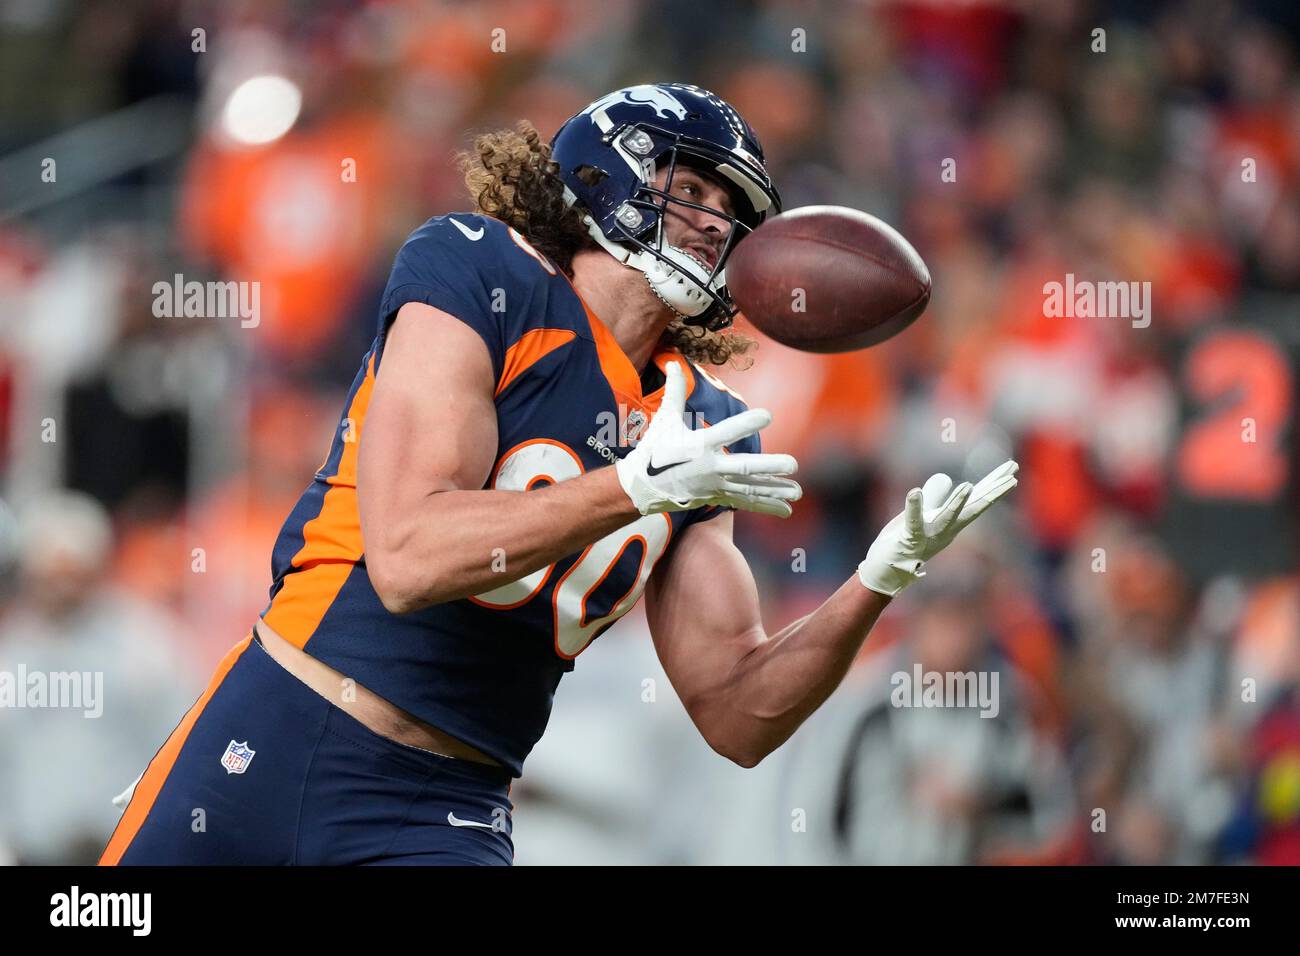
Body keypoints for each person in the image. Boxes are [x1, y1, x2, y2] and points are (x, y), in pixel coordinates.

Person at [100, 83, 1016, 865]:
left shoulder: (706, 427)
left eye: (729, 210)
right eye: (688, 187)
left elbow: (738, 713)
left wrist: (877, 579)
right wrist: (633, 488)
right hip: (279, 723)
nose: (711, 222)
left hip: (441, 812)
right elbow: (409, 556)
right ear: (603, 174)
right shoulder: (476, 272)